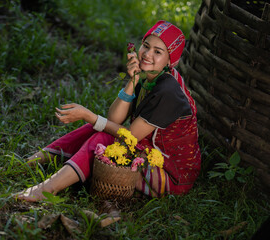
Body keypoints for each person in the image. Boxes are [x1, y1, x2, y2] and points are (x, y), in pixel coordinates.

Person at [15, 20, 201, 202]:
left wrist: (90, 116)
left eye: (158, 52)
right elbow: (115, 118)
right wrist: (133, 81)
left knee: (105, 138)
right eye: (146, 45)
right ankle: (28, 163)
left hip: (170, 176)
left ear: (171, 61)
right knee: (97, 128)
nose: (147, 54)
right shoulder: (149, 75)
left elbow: (129, 136)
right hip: (150, 152)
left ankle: (46, 189)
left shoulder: (168, 91)